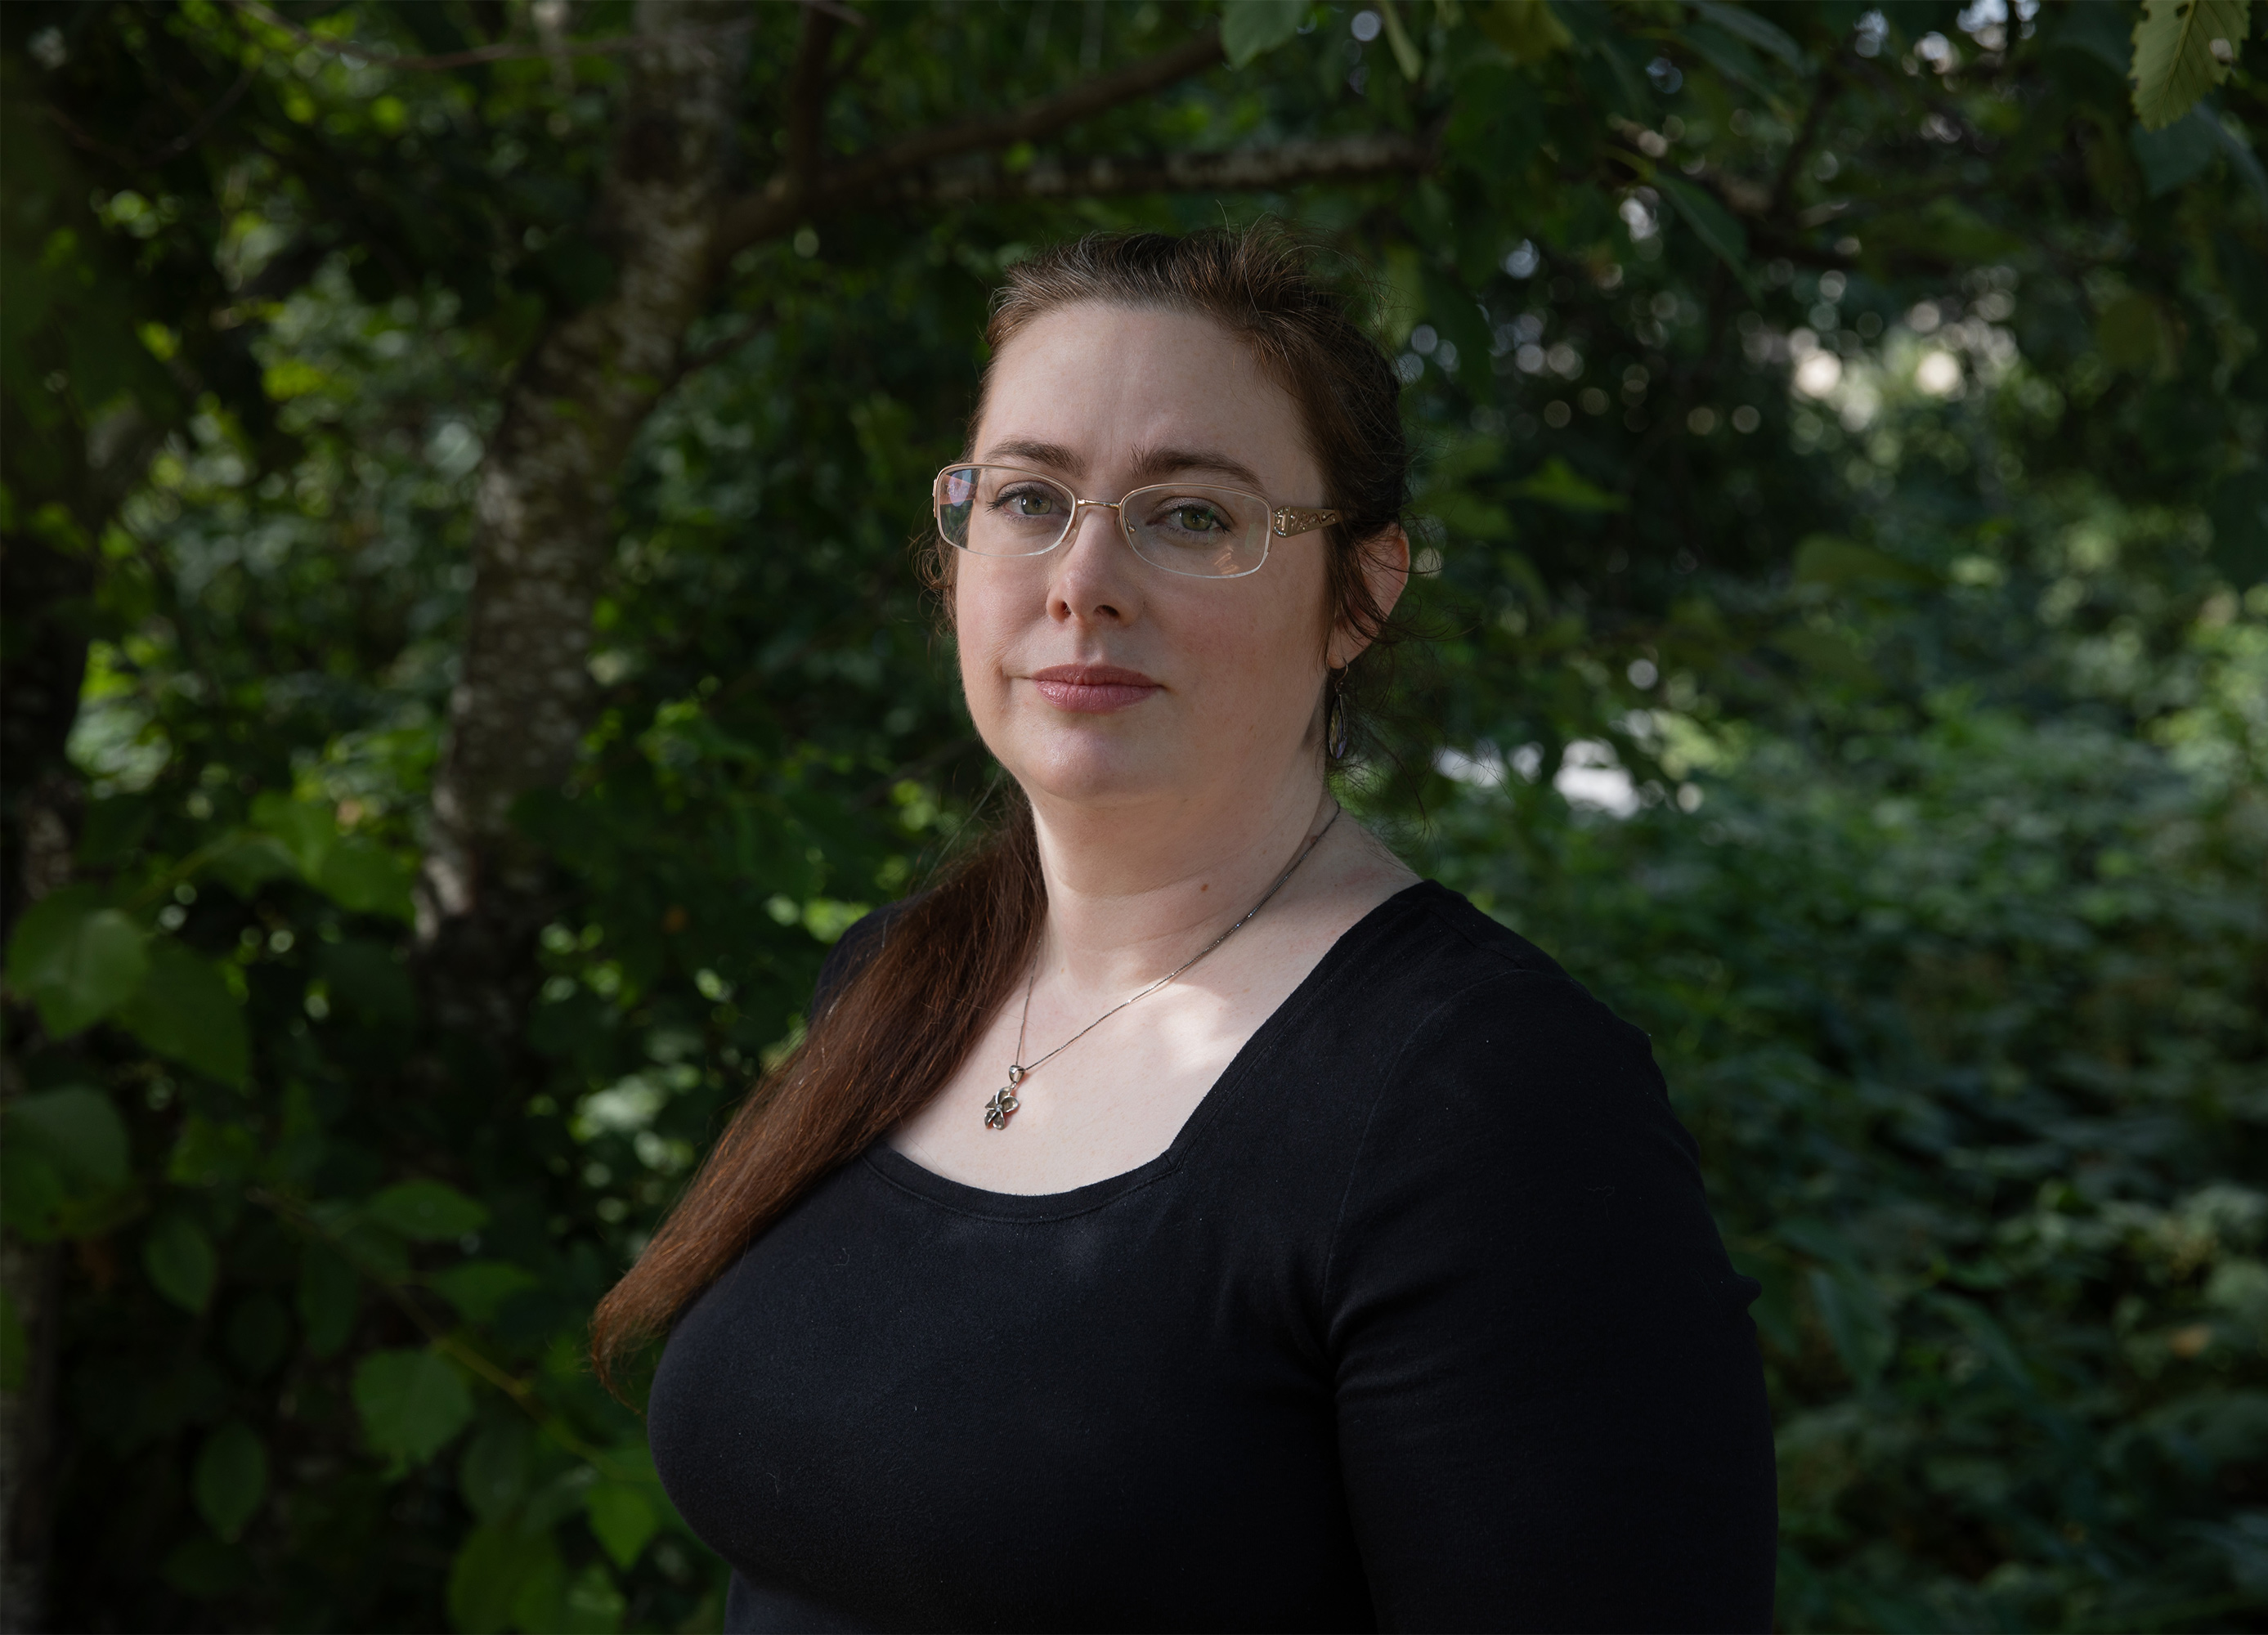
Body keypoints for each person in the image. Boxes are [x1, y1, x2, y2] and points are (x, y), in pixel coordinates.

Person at [596, 226, 1776, 1633]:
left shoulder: (1492, 1110)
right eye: (1028, 498)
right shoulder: (898, 981)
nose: (1082, 579)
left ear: (1362, 592)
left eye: (1194, 517)